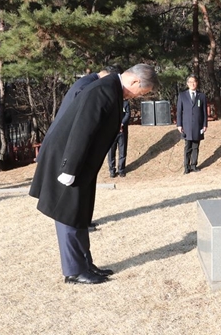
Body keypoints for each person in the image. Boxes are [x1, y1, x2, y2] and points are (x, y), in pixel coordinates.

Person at [29, 64, 157, 285]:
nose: (137, 97)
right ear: (135, 82)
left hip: (80, 162)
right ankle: (74, 271)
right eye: (141, 93)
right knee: (67, 214)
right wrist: (69, 168)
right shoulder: (103, 90)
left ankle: (85, 264)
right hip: (68, 160)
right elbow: (82, 130)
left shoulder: (111, 89)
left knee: (80, 213)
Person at [37, 64, 122, 161]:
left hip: (58, 142)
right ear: (109, 76)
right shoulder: (88, 86)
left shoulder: (88, 81)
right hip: (59, 145)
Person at [176, 74, 208, 174]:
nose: (192, 84)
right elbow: (179, 111)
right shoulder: (182, 95)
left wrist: (205, 124)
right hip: (186, 125)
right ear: (187, 84)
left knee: (196, 146)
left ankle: (194, 165)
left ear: (197, 83)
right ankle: (186, 166)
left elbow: (204, 112)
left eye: (194, 82)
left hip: (198, 125)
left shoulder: (201, 96)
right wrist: (179, 125)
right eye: (190, 82)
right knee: (187, 147)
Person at [108, 99, 130, 178]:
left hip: (122, 132)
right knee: (111, 152)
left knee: (122, 151)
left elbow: (128, 114)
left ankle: (121, 170)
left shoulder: (125, 103)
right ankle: (112, 171)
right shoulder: (111, 102)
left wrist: (122, 124)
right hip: (112, 132)